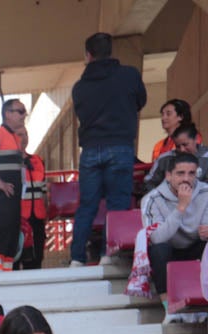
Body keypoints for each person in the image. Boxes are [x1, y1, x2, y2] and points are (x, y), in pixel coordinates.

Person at [68, 33, 149, 265]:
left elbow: (81, 113)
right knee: (118, 204)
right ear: (111, 52)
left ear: (88, 55)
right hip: (120, 146)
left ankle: (76, 258)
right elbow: (140, 101)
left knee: (87, 205)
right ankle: (108, 255)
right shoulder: (129, 75)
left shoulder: (80, 87)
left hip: (91, 149)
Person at [141, 152, 208, 296]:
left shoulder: (205, 192)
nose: (186, 179)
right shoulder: (152, 199)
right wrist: (181, 207)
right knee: (159, 250)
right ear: (168, 175)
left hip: (195, 246)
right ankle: (167, 303)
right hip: (169, 248)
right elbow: (156, 238)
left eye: (191, 173)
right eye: (180, 173)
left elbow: (204, 230)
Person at [0, 98, 32, 271]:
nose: (24, 115)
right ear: (7, 114)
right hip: (0, 193)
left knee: (10, 236)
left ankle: (6, 271)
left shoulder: (13, 137)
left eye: (24, 111)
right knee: (1, 233)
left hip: (11, 194)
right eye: (20, 111)